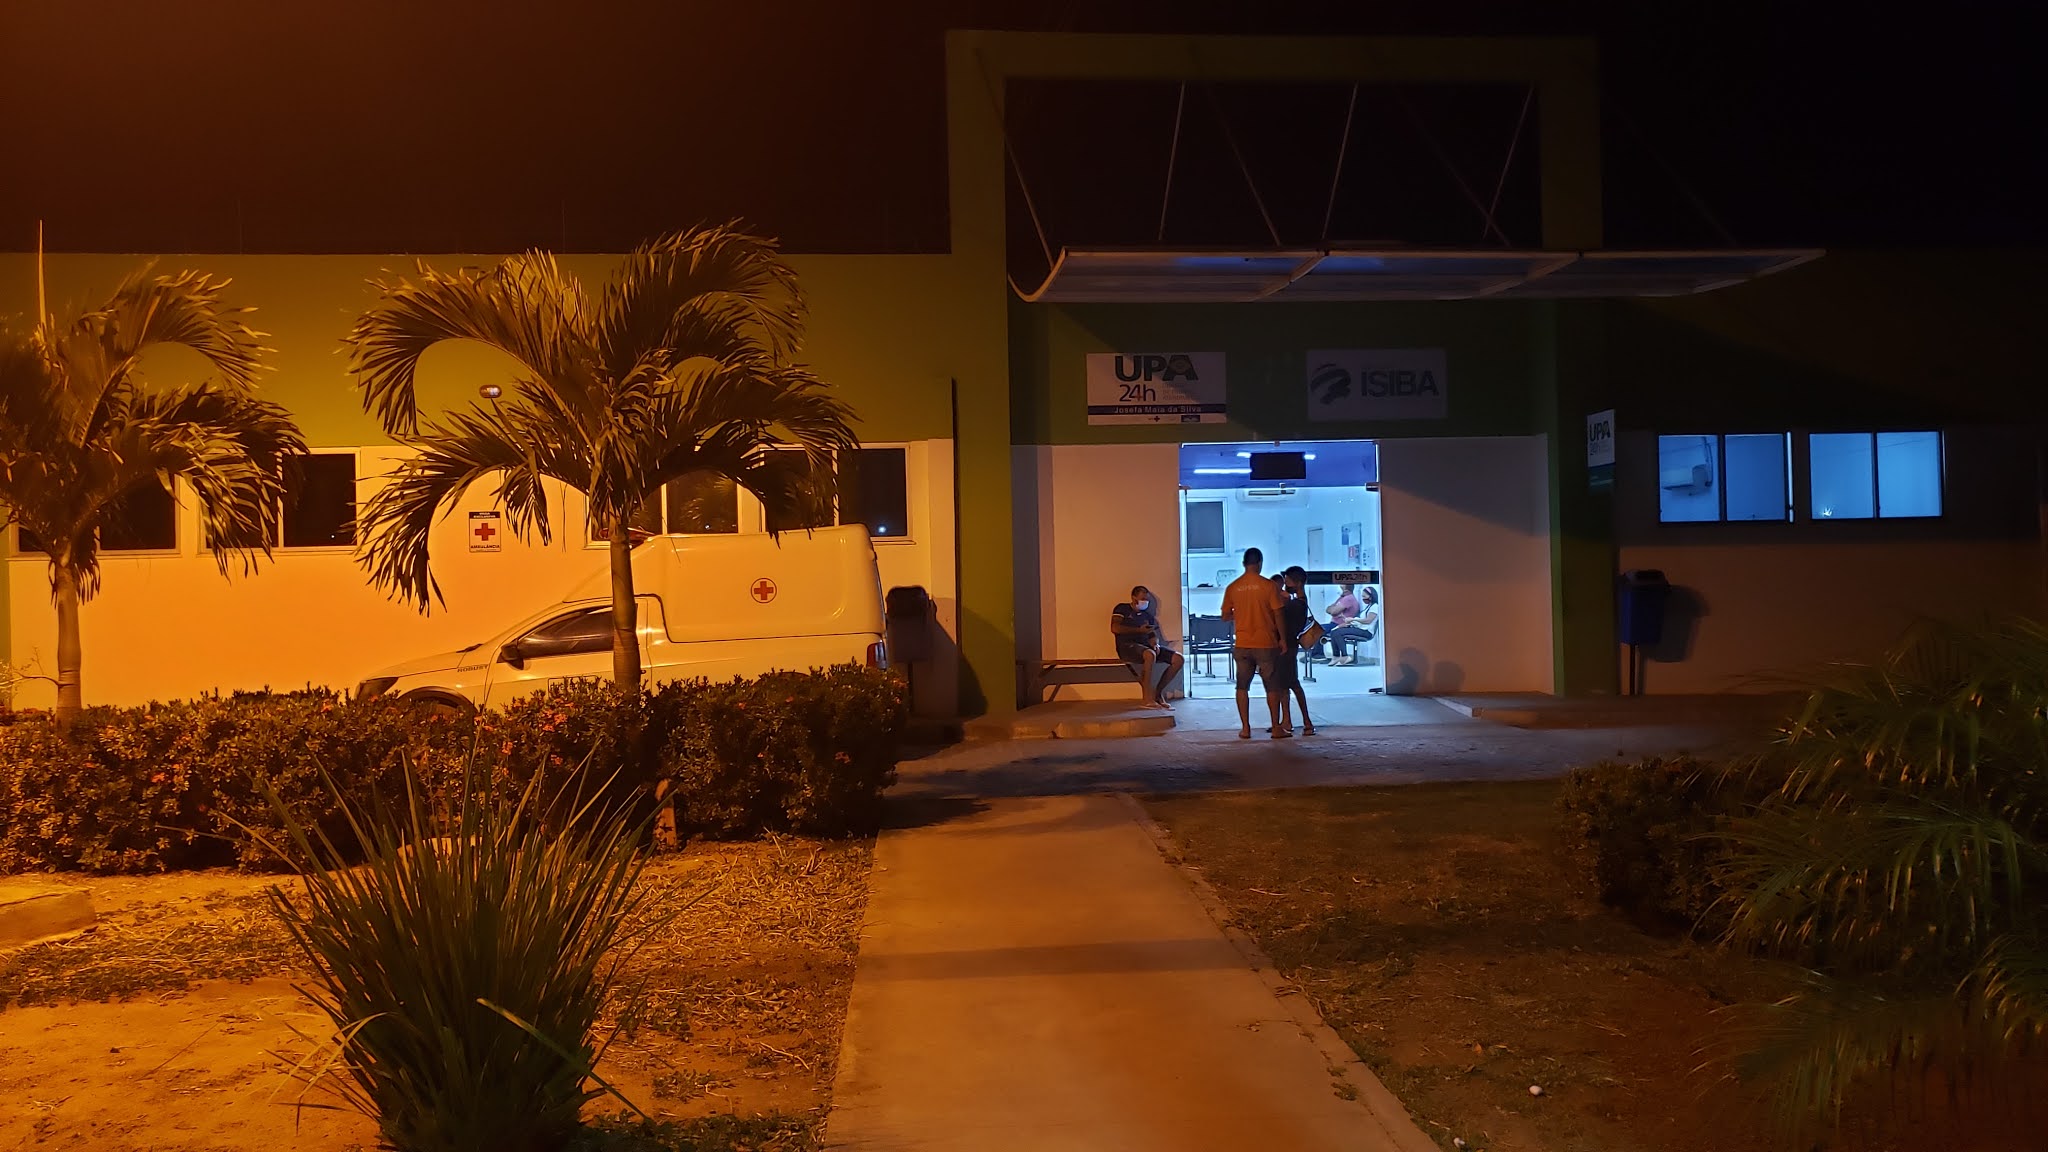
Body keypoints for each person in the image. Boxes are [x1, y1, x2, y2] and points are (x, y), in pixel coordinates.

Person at [1220, 547, 1287, 740]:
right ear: (1260, 563)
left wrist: (1240, 615)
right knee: (1271, 687)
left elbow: (1225, 616)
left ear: (1243, 564)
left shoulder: (1233, 587)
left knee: (1242, 687)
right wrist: (1282, 639)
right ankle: (1276, 728)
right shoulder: (1269, 586)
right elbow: (1278, 614)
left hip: (1242, 643)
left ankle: (1245, 728)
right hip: (1266, 643)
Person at [1109, 585, 1183, 709]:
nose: (1145, 602)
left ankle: (1157, 693)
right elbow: (1115, 628)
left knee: (1178, 659)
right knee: (1150, 654)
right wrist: (1139, 630)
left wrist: (1155, 643)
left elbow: (1152, 634)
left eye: (1147, 599)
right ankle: (1147, 698)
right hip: (1127, 647)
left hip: (1146, 647)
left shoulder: (1147, 616)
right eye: (1142, 599)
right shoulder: (1122, 609)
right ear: (1133, 598)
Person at [1271, 566, 1316, 735]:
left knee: (1292, 684)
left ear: (1298, 583)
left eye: (1288, 581)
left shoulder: (1295, 604)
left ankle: (1306, 721)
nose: (1285, 584)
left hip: (1287, 647)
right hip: (1290, 646)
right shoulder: (1299, 602)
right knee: (1286, 684)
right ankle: (1288, 720)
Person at [1327, 585, 1380, 666]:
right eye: (1362, 596)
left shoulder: (1375, 607)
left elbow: (1368, 620)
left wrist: (1354, 619)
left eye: (1364, 596)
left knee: (1338, 633)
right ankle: (1336, 656)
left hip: (1366, 632)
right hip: (1360, 628)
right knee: (1334, 631)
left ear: (1370, 596)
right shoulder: (1368, 607)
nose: (1363, 599)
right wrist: (1347, 620)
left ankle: (1344, 656)